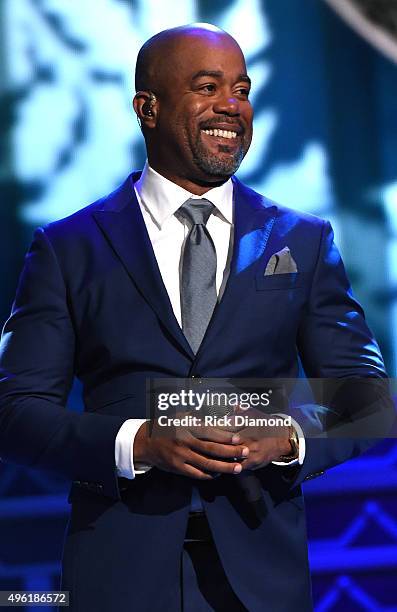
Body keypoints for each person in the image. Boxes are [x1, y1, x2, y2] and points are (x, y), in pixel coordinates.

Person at [0, 23, 393, 612]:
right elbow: (14, 412)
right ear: (147, 108)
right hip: (118, 574)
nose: (230, 107)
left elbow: (370, 400)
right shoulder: (69, 246)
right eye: (208, 87)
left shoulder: (304, 241)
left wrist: (287, 435)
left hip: (262, 575)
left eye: (242, 89)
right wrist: (140, 443)